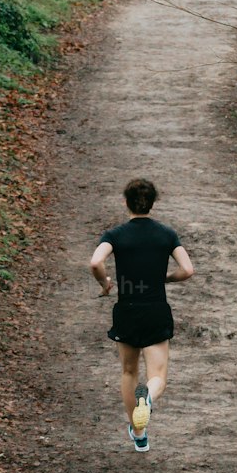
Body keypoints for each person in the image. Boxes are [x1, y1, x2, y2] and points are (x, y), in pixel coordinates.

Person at [89, 178, 194, 452]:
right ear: (152, 203)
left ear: (126, 202)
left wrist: (105, 284)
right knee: (157, 374)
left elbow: (96, 261)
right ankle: (147, 397)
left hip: (127, 310)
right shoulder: (166, 235)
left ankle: (139, 432)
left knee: (128, 370)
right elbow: (188, 269)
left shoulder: (115, 235)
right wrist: (165, 279)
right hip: (156, 309)